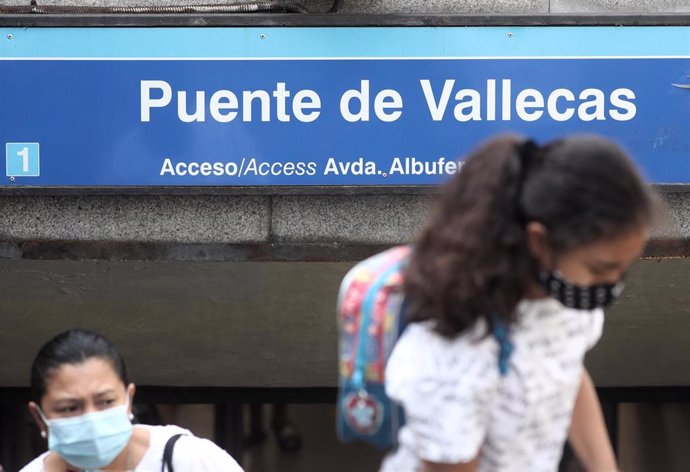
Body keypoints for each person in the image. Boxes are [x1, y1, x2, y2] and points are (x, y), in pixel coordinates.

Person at [379, 135, 656, 472]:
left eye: (622, 268)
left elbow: (565, 371)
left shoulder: (565, 300)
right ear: (539, 241)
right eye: (600, 269)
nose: (612, 285)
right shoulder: (457, 351)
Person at [20, 329, 244, 472]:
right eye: (69, 408)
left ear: (129, 399)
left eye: (106, 402)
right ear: (39, 417)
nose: (91, 418)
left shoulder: (189, 460)